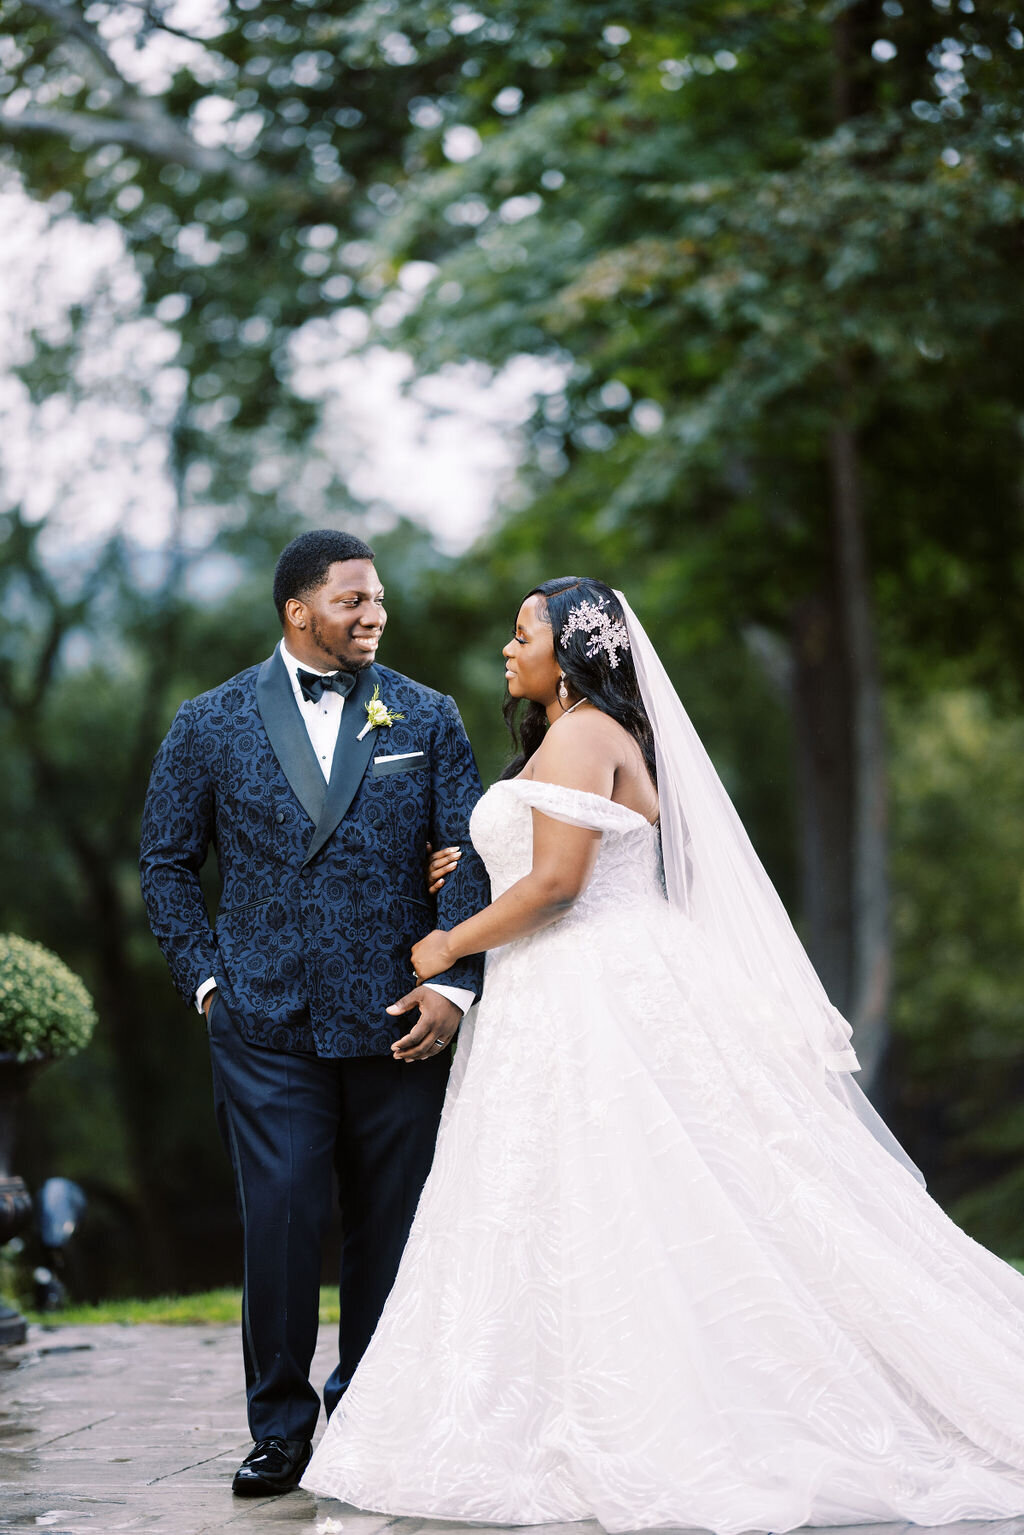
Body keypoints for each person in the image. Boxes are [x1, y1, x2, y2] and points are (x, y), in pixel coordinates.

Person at [302, 576, 1024, 1533]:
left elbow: (559, 883)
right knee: (579, 1198)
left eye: (524, 634)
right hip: (570, 987)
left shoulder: (584, 731)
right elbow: (552, 852)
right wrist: (475, 862)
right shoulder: (585, 736)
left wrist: (448, 943)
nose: (508, 650)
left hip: (591, 989)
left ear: (570, 652)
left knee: (620, 1193)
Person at [139, 529, 488, 1497]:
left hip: (398, 1017)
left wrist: (453, 984)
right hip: (265, 1024)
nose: (373, 614)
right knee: (284, 1220)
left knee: (389, 1224)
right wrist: (208, 981)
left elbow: (471, 848)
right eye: (352, 601)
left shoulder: (427, 713)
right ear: (299, 610)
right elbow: (166, 860)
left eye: (377, 599)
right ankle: (280, 1427)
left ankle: (371, 1414)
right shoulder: (207, 722)